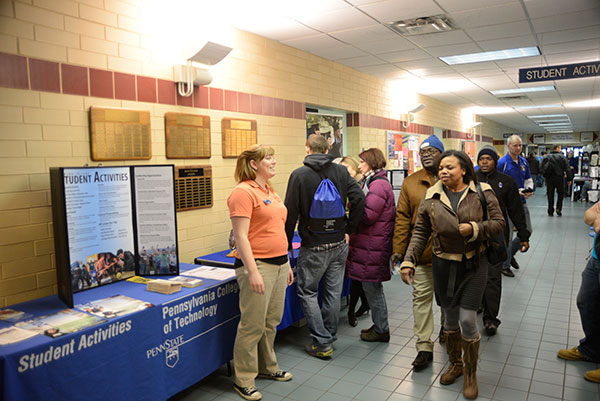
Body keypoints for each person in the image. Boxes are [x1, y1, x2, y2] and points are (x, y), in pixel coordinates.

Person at [399, 150, 505, 400]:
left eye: (450, 167)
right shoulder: (432, 195)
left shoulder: (482, 191)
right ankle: (456, 363)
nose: (444, 172)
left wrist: (475, 228)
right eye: (441, 168)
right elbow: (420, 231)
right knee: (449, 320)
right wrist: (408, 260)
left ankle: (470, 373)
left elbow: (499, 223)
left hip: (474, 264)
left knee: (468, 319)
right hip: (443, 265)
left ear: (464, 170)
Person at [284, 134, 365, 359]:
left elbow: (289, 212)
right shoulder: (340, 171)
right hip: (339, 243)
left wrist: (287, 243)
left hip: (314, 245)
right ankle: (329, 336)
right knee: (333, 291)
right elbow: (359, 198)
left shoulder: (299, 175)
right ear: (328, 149)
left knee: (307, 291)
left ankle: (321, 342)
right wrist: (349, 229)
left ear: (308, 149)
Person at [227, 144, 295, 401]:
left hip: (279, 264)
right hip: (257, 266)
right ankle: (243, 378)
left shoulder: (270, 191)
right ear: (254, 164)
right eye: (268, 158)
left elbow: (278, 231)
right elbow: (241, 237)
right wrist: (252, 271)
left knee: (271, 321)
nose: (274, 161)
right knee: (252, 324)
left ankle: (268, 368)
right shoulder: (242, 192)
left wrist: (287, 263)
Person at [392, 134, 444, 370]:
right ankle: (424, 346)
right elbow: (402, 218)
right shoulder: (411, 182)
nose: (425, 155)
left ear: (442, 154)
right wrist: (399, 250)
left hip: (449, 256)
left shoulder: (453, 179)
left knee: (449, 300)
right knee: (421, 300)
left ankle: (448, 330)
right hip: (421, 254)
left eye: (431, 151)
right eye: (422, 152)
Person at [476, 145, 530, 335]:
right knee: (474, 275)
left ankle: (491, 319)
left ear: (494, 161)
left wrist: (523, 235)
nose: (484, 162)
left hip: (497, 237)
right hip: (474, 236)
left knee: (492, 277)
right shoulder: (471, 180)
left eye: (488, 159)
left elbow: (515, 210)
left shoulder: (505, 181)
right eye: (481, 159)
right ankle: (478, 305)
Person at [346, 148, 395, 342]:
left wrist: (351, 204)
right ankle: (379, 325)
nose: (359, 165)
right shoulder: (372, 182)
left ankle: (382, 329)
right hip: (371, 244)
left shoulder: (378, 185)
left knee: (373, 290)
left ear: (371, 163)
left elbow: (367, 215)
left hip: (372, 245)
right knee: (371, 289)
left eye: (362, 162)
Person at [557, 201, 600, 383]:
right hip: (596, 259)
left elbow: (596, 223)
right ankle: (590, 350)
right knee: (586, 302)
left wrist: (597, 220)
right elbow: (588, 216)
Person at [497, 135, 533, 277]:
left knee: (527, 230)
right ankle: (504, 265)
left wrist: (529, 189)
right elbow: (498, 185)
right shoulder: (502, 163)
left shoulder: (523, 162)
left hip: (521, 203)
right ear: (508, 146)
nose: (518, 148)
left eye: (520, 145)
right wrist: (513, 192)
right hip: (507, 205)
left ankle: (510, 254)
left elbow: (528, 179)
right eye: (515, 146)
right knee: (508, 234)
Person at [340, 156, 369, 326]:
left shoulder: (362, 186)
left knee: (357, 276)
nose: (344, 172)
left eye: (346, 168)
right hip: (355, 235)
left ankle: (352, 310)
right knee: (357, 275)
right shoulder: (351, 184)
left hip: (360, 235)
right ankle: (363, 304)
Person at [541, 144, 572, 217]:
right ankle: (558, 209)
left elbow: (541, 167)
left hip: (549, 178)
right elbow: (567, 168)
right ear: (557, 148)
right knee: (560, 194)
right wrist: (569, 179)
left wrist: (544, 175)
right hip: (559, 178)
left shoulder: (546, 157)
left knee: (550, 195)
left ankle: (550, 211)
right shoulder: (562, 157)